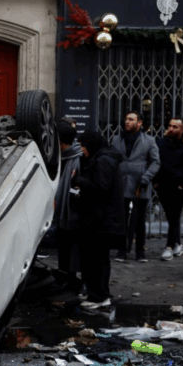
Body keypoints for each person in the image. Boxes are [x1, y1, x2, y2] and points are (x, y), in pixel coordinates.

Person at [71, 130, 124, 309]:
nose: (82, 149)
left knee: (98, 259)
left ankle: (100, 296)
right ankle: (96, 295)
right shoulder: (100, 158)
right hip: (97, 219)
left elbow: (101, 189)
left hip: (101, 221)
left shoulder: (103, 161)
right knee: (94, 259)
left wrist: (79, 180)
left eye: (83, 145)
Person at [110, 111, 160, 263]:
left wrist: (146, 177)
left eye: (131, 119)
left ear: (139, 123)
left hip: (140, 185)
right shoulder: (117, 139)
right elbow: (111, 159)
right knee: (122, 219)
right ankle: (122, 250)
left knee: (139, 220)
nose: (127, 122)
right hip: (121, 184)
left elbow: (155, 162)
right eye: (126, 119)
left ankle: (140, 251)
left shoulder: (149, 140)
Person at [153, 117, 183, 261]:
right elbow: (156, 162)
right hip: (163, 186)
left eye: (175, 126)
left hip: (179, 187)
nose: (171, 129)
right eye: (170, 126)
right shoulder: (161, 143)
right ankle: (178, 244)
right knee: (172, 216)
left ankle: (169, 247)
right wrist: (155, 182)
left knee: (174, 216)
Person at [52, 120, 83, 291]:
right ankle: (63, 274)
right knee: (62, 243)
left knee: (72, 245)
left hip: (72, 210)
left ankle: (71, 277)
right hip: (61, 209)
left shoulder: (78, 157)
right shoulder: (60, 156)